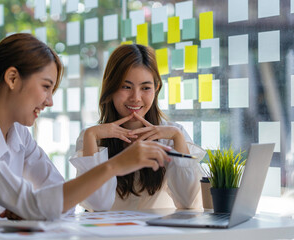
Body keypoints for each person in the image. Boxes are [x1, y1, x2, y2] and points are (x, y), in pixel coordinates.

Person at [0, 34, 172, 220]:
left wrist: (35, 207)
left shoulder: (18, 133)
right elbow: (35, 203)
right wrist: (114, 166)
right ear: (12, 79)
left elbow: (64, 199)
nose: (49, 101)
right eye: (45, 86)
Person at [70, 44, 206, 211]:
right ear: (110, 88)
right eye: (126, 87)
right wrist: (91, 136)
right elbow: (96, 205)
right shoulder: (92, 136)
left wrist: (177, 137)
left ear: (156, 89)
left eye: (145, 88)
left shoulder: (172, 134)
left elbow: (189, 202)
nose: (136, 98)